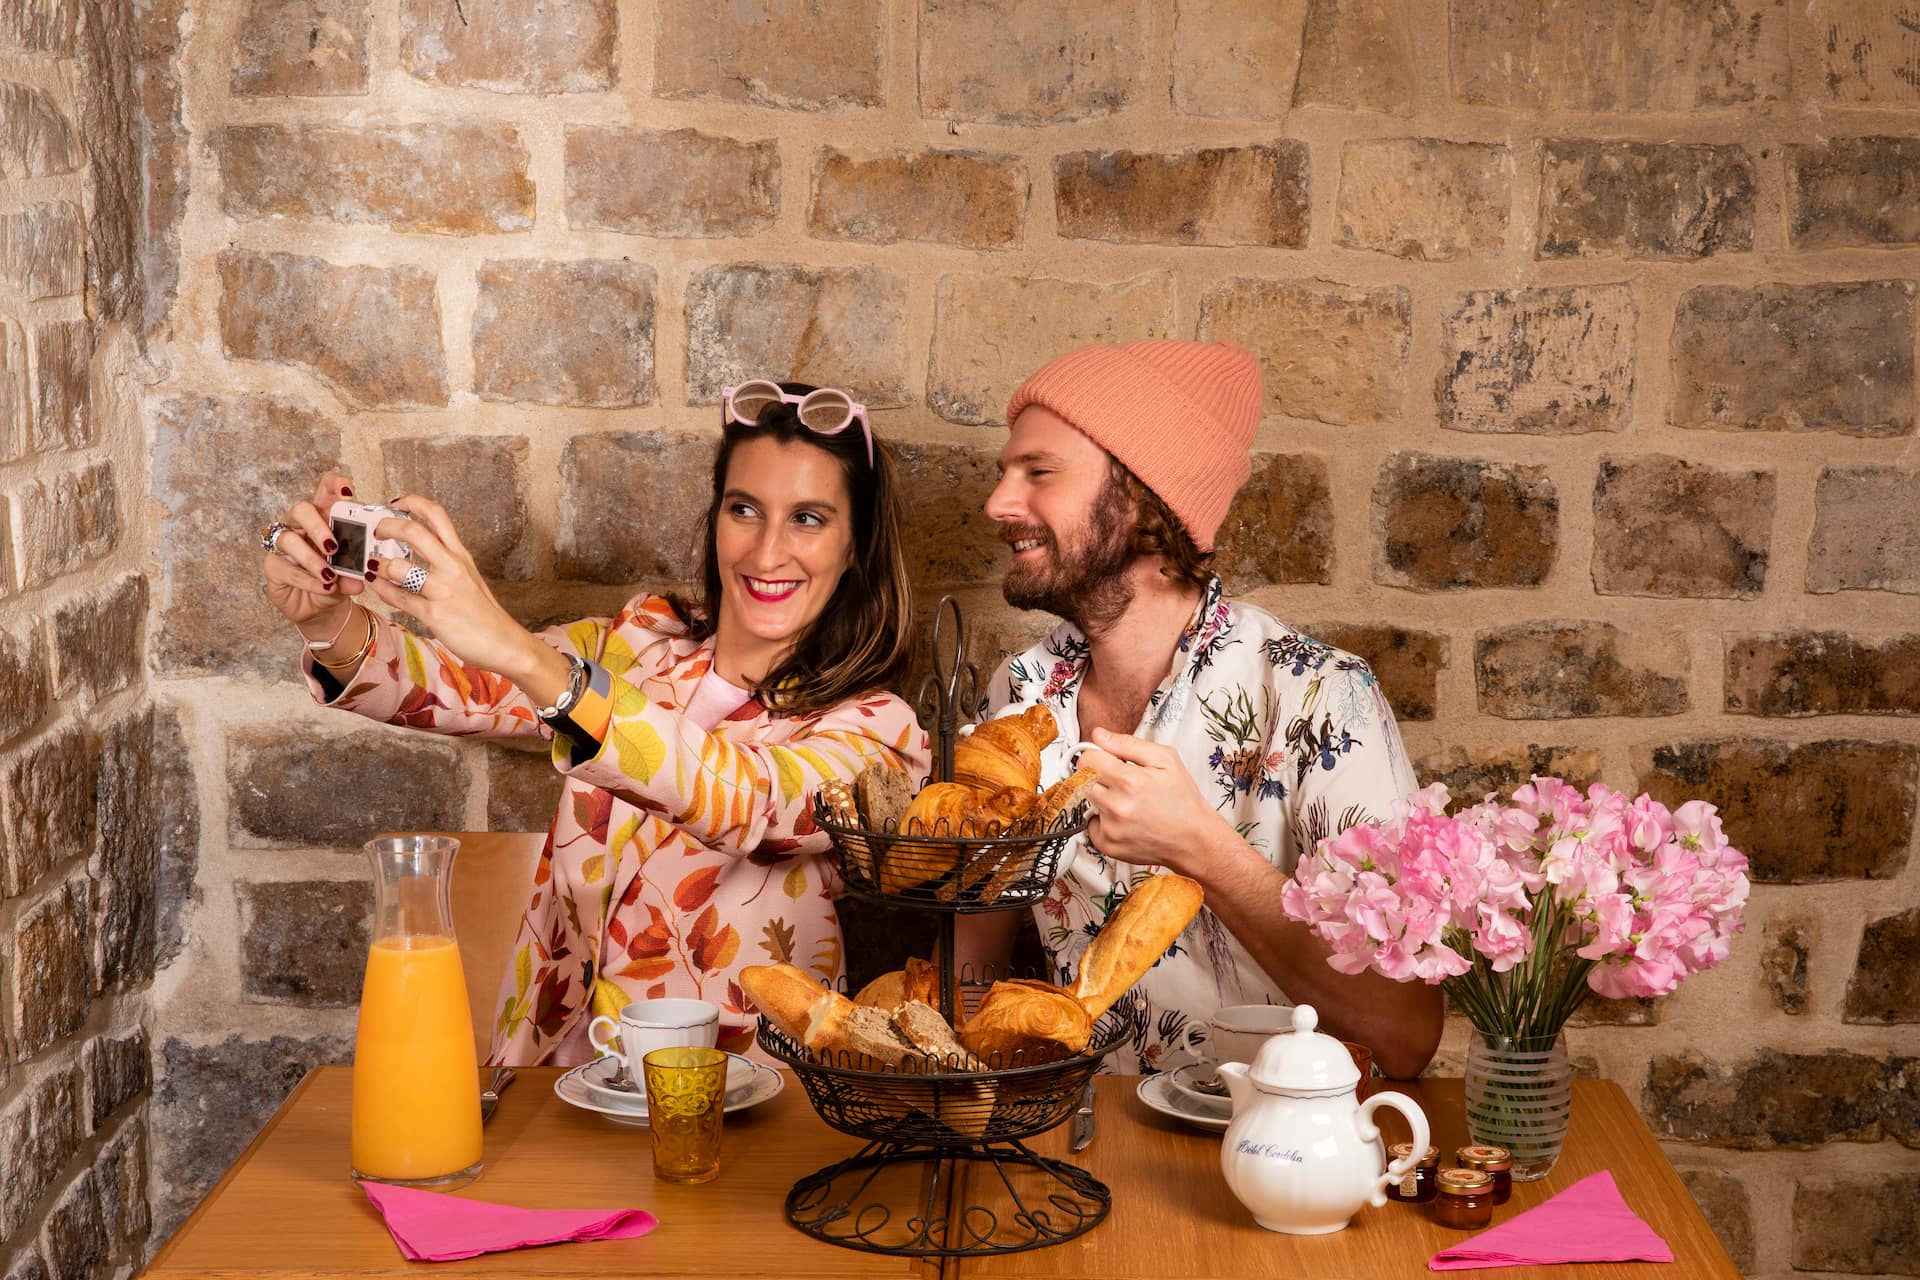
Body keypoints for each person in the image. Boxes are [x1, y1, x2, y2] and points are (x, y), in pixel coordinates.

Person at [259, 380, 930, 1064]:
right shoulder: (638, 641)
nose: (766, 552)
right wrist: (328, 621)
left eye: (809, 519)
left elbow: (748, 801)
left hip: (728, 1102)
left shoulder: (879, 734)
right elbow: (459, 686)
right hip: (544, 1084)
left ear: (856, 545)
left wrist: (525, 654)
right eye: (745, 509)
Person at [956, 340, 1443, 1078]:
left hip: (1267, 1137)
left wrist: (1200, 847)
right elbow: (977, 965)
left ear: (1142, 498)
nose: (998, 503)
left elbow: (1405, 1034)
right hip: (1078, 1133)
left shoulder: (1321, 696)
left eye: (1039, 472)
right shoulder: (1018, 695)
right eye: (1005, 473)